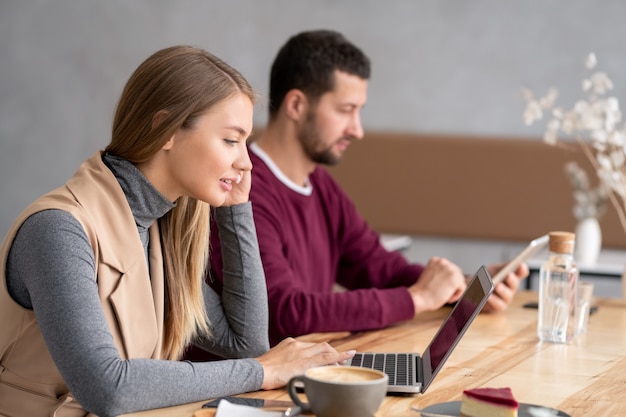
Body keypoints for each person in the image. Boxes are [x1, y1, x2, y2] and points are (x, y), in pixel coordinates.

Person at [0, 45, 354, 417]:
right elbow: (107, 388)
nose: (246, 163)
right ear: (165, 130)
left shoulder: (159, 233)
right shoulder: (58, 230)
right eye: (231, 140)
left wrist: (235, 211)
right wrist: (264, 371)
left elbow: (245, 342)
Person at [207, 30, 529, 347]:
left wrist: (462, 289)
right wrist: (417, 298)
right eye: (346, 110)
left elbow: (378, 267)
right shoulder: (242, 192)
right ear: (296, 105)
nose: (358, 130)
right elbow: (285, 314)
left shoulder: (322, 188)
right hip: (247, 392)